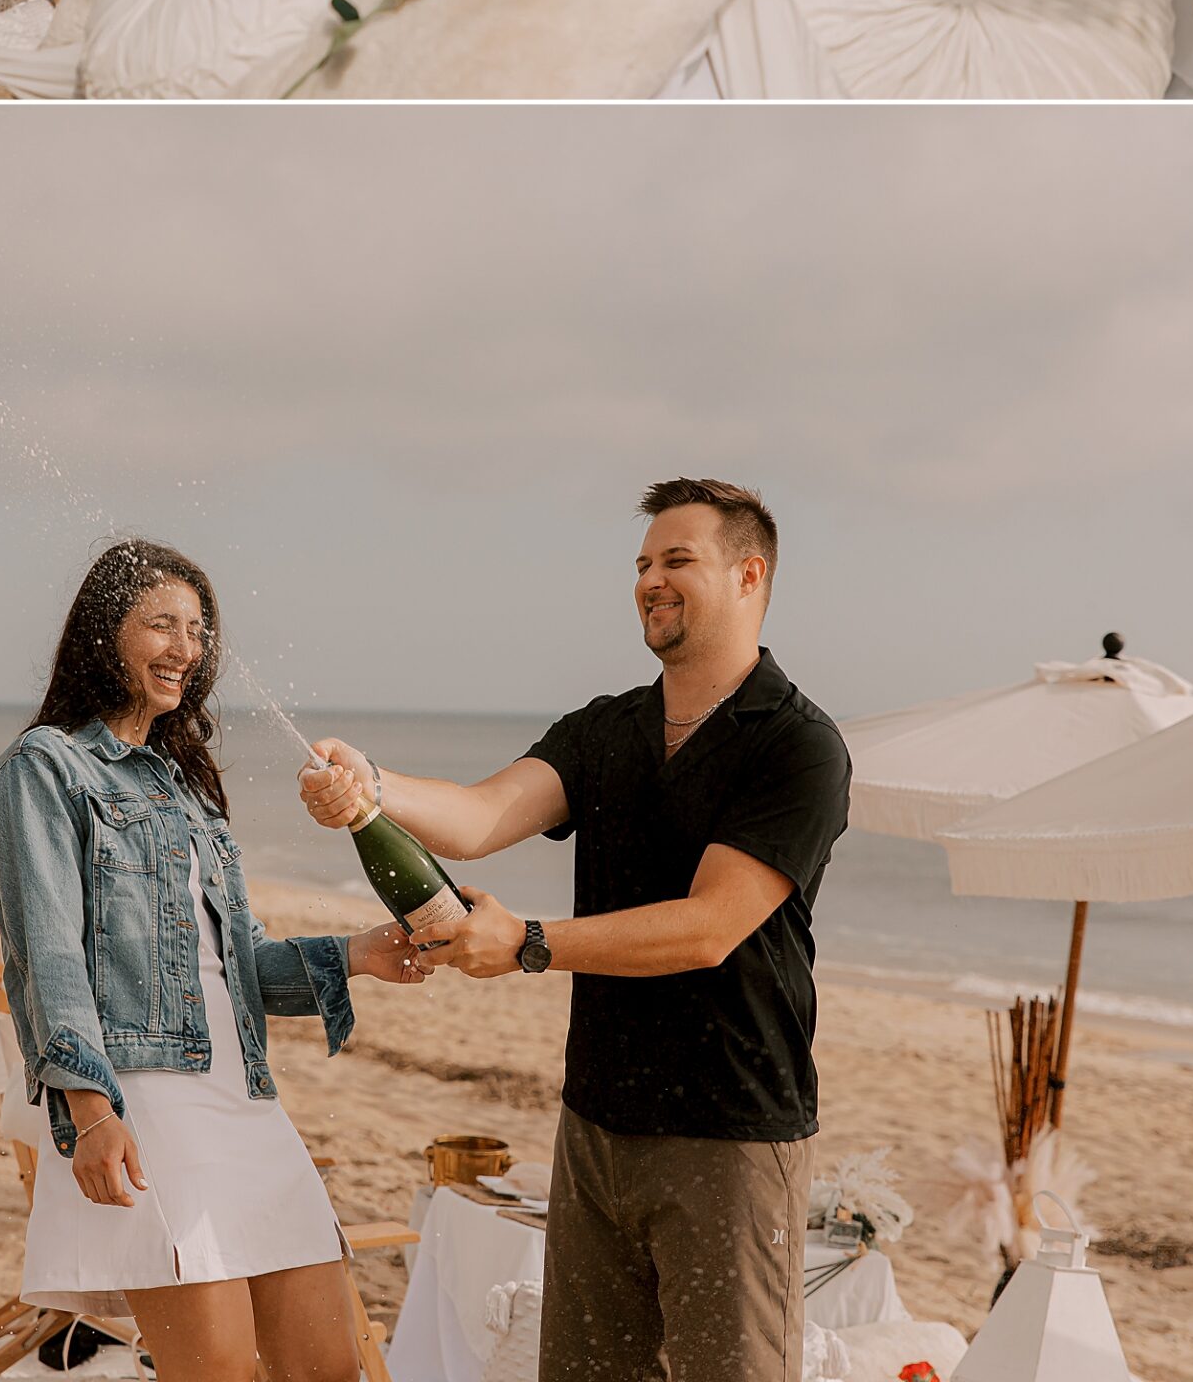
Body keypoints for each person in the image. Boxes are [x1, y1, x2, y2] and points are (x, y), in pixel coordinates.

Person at [299, 478, 851, 1382]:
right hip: (594, 1122)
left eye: (677, 560)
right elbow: (478, 817)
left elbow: (708, 928)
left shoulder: (796, 743)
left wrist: (528, 944)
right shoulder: (607, 729)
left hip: (731, 1134)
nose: (650, 581)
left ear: (749, 576)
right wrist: (371, 785)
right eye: (642, 564)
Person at [0, 539, 426, 1382]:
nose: (185, 646)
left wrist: (357, 956)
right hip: (146, 1102)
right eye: (161, 624)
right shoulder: (44, 770)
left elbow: (232, 964)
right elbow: (47, 957)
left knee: (326, 1368)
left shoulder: (184, 787)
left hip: (245, 1099)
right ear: (102, 634)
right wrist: (92, 1112)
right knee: (216, 1372)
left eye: (197, 628)